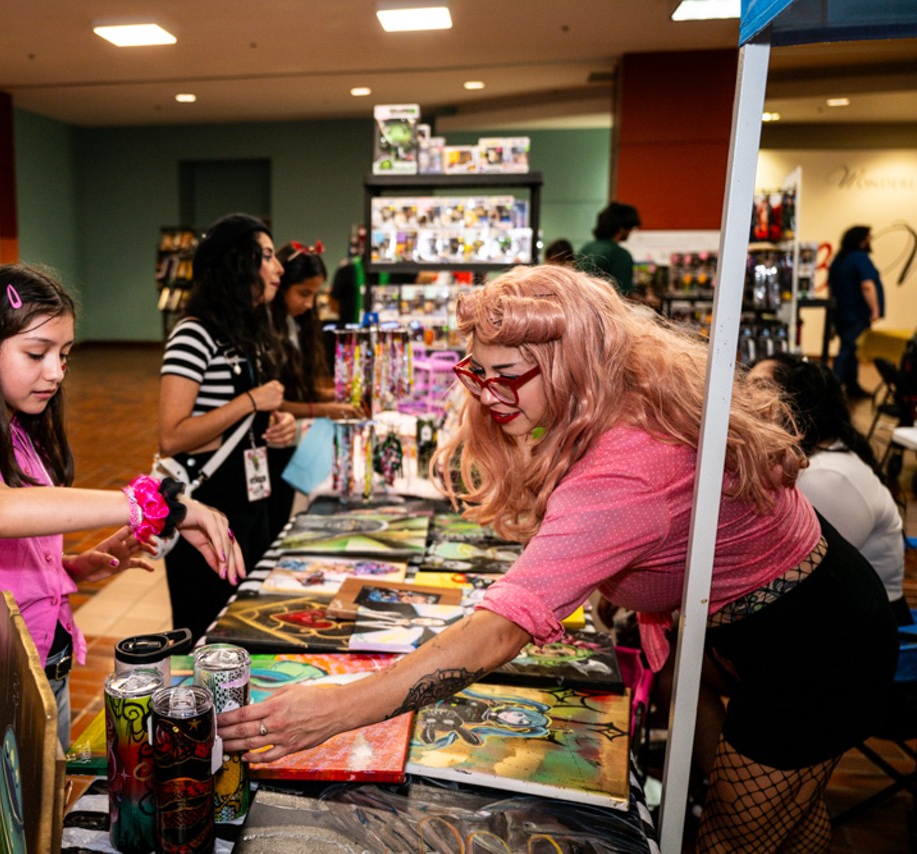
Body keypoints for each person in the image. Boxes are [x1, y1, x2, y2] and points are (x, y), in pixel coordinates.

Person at [219, 264, 897, 853]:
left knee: (730, 836)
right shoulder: (615, 389)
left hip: (817, 638)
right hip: (774, 620)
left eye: (507, 376)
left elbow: (500, 632)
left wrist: (338, 710)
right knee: (790, 816)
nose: (485, 394)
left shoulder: (630, 462)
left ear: (575, 363)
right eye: (476, 372)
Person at [0, 264, 242, 853]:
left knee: (34, 837)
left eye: (65, 354)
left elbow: (1, 552)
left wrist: (79, 564)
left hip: (41, 675)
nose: (55, 372)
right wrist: (150, 506)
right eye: (36, 352)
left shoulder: (15, 427)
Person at [158, 213, 298, 640]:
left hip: (251, 506)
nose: (279, 269)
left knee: (244, 630)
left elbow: (249, 421)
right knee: (207, 634)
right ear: (239, 264)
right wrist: (249, 402)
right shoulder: (193, 334)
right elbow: (172, 435)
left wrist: (282, 425)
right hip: (205, 514)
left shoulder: (249, 334)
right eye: (268, 257)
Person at [750, 353, 911, 625]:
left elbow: (795, 576)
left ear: (795, 403)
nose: (744, 396)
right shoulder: (815, 463)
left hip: (869, 625)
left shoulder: (825, 476)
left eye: (760, 386)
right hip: (842, 610)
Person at [268, 241, 364, 532]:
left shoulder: (296, 325)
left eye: (315, 294)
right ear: (281, 286)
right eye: (303, 294)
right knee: (274, 519)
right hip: (273, 445)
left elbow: (296, 388)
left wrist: (336, 395)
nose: (309, 303)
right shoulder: (268, 330)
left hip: (290, 442)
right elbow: (275, 399)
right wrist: (327, 408)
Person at [827, 225, 883, 400]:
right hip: (856, 313)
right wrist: (875, 309)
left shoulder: (838, 260)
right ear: (861, 240)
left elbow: (831, 288)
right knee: (849, 350)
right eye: (868, 237)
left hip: (841, 312)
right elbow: (867, 285)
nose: (871, 240)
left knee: (851, 349)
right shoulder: (860, 258)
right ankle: (833, 388)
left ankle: (851, 386)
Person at [577, 202, 640, 296]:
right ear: (622, 229)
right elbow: (624, 295)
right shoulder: (619, 254)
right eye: (630, 228)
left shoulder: (586, 248)